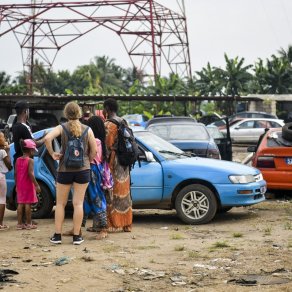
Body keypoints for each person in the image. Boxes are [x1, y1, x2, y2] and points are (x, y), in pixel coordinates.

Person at [44, 101, 97, 245]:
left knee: (60, 204)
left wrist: (53, 153)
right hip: (83, 170)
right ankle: (77, 237)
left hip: (64, 170)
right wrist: (87, 160)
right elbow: (94, 151)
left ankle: (57, 236)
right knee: (78, 203)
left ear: (66, 114)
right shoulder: (88, 129)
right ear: (79, 113)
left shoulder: (62, 128)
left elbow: (47, 138)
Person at [103, 98, 132, 232]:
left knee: (112, 192)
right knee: (125, 192)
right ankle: (127, 224)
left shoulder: (108, 125)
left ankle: (112, 224)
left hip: (113, 162)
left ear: (107, 109)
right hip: (124, 162)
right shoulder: (123, 121)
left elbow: (107, 146)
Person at [85, 115, 113, 239]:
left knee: (96, 198)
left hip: (92, 171)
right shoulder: (101, 141)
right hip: (97, 171)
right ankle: (97, 226)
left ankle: (103, 228)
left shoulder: (94, 141)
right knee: (91, 198)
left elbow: (90, 156)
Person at [15, 139, 41, 230]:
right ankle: (29, 223)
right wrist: (36, 185)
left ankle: (19, 224)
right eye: (33, 150)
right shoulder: (30, 160)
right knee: (28, 204)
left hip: (20, 185)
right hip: (28, 185)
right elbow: (31, 173)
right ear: (30, 150)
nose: (34, 152)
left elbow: (15, 173)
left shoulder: (18, 160)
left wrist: (17, 185)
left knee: (20, 203)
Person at [0, 132, 12, 230]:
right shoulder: (2, 152)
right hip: (1, 177)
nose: (5, 139)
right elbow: (9, 166)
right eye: (3, 137)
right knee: (2, 200)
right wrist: (8, 151)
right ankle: (0, 224)